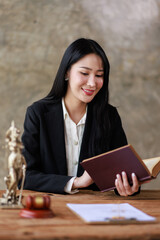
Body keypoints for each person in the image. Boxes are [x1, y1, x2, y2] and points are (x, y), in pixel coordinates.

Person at [21, 38, 140, 196]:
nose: (92, 83)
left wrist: (129, 188)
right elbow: (24, 176)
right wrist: (76, 182)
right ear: (66, 72)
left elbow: (122, 171)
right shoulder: (38, 113)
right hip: (51, 208)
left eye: (99, 75)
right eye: (84, 73)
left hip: (96, 210)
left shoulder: (109, 116)